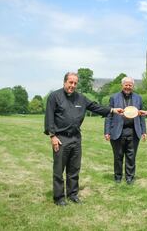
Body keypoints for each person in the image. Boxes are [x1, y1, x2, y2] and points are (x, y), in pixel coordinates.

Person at [44, 72, 123, 206]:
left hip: (76, 138)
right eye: (70, 82)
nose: (72, 85)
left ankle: (72, 194)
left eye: (75, 83)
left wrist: (113, 110)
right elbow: (49, 117)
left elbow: (95, 107)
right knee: (59, 170)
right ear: (64, 82)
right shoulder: (54, 97)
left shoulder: (81, 98)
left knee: (74, 169)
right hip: (61, 138)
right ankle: (59, 198)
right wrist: (52, 136)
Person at [104, 77, 147, 184]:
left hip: (133, 131)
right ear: (122, 85)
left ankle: (130, 178)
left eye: (130, 85)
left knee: (131, 156)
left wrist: (144, 131)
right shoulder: (114, 97)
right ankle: (118, 177)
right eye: (126, 85)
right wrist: (107, 131)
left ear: (133, 86)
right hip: (118, 131)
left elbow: (141, 116)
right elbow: (109, 115)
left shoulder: (138, 98)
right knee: (118, 156)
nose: (128, 87)